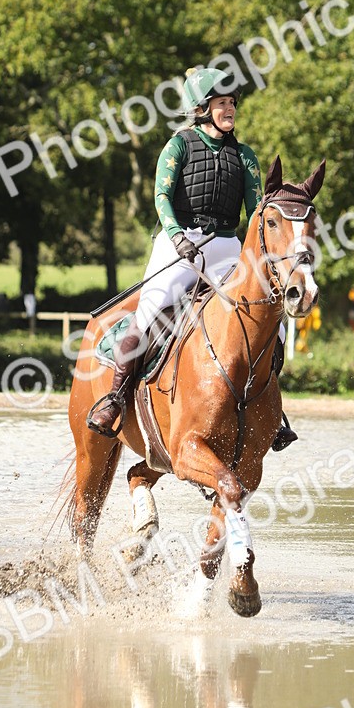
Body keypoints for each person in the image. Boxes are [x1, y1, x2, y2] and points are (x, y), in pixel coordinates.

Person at [87, 67, 297, 450]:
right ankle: (115, 398)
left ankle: (270, 410)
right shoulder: (179, 145)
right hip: (180, 241)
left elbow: (254, 213)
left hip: (226, 246)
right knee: (149, 311)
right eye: (222, 103)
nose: (230, 109)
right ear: (203, 108)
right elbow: (161, 197)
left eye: (232, 102)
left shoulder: (245, 156)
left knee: (272, 320)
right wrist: (176, 236)